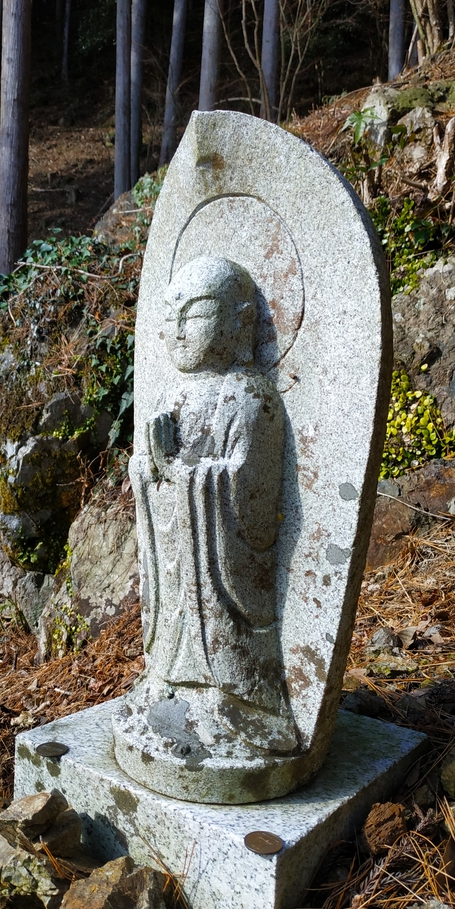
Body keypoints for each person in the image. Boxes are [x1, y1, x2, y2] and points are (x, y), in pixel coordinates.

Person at [128, 255, 297, 755]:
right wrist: (149, 469)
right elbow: (148, 472)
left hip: (224, 574)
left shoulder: (248, 395)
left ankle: (233, 702)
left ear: (241, 322)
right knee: (167, 649)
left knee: (227, 651)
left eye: (197, 314)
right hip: (177, 562)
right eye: (171, 317)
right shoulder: (170, 393)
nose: (180, 331)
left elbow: (252, 493)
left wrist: (183, 473)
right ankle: (165, 683)